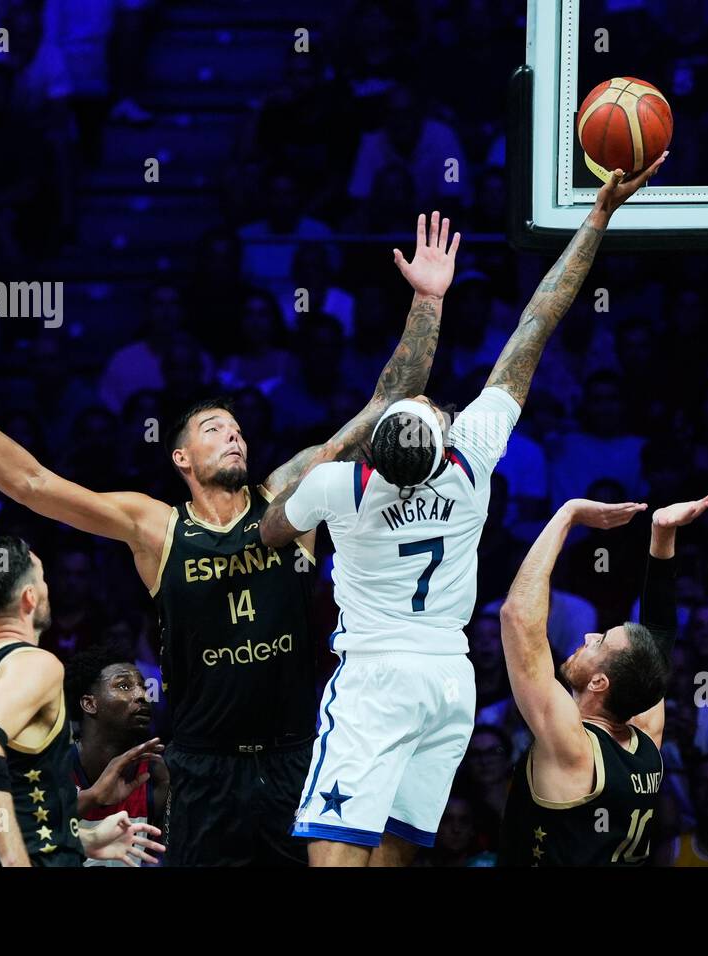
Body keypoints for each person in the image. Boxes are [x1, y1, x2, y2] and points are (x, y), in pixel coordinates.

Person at [0, 210, 457, 866]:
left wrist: (428, 299)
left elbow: (384, 404)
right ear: (181, 458)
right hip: (202, 770)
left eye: (236, 428)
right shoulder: (155, 527)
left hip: (295, 759)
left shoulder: (289, 501)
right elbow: (35, 484)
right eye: (213, 428)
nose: (231, 433)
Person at [260, 161, 667, 865]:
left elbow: (269, 527)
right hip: (450, 681)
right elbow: (537, 323)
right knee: (392, 853)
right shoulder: (471, 459)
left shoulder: (338, 488)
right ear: (442, 433)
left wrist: (419, 315)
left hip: (377, 678)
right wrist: (598, 213)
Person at [497, 493, 708, 866]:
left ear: (599, 683)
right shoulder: (646, 736)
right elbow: (658, 634)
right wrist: (662, 534)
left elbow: (517, 617)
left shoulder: (572, 747)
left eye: (599, 642)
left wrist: (567, 516)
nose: (587, 637)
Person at [0, 536, 163, 866]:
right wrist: (16, 859)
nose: (49, 589)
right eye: (42, 578)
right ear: (30, 597)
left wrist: (82, 839)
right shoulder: (36, 663)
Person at [64, 643, 170, 867]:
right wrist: (92, 797)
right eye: (124, 686)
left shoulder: (155, 773)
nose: (142, 695)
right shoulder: (55, 767)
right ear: (90, 704)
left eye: (142, 687)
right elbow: (25, 833)